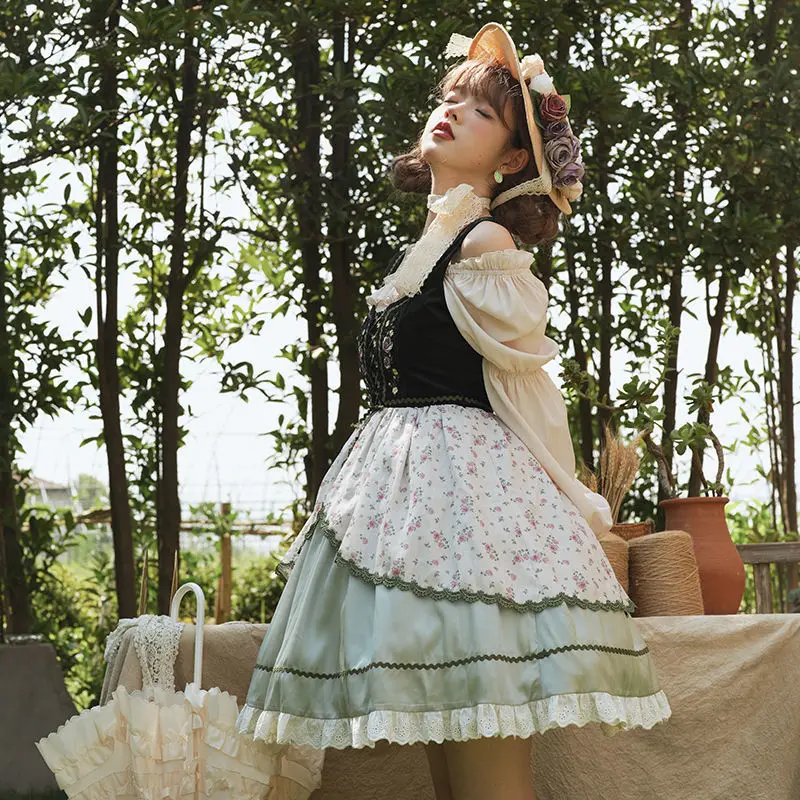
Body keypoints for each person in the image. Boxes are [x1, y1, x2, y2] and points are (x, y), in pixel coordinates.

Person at [235, 22, 672, 800]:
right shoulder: (429, 246)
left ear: (512, 158)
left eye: (479, 112)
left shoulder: (483, 242)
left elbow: (527, 389)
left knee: (486, 780)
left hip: (466, 516)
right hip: (399, 509)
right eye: (448, 99)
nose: (451, 113)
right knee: (453, 769)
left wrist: (576, 498)